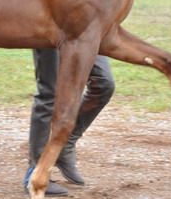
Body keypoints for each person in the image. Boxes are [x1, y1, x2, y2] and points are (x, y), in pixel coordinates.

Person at [23, 48, 115, 196]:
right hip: (51, 28)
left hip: (85, 28)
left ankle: (64, 144)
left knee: (104, 83)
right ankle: (35, 171)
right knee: (49, 93)